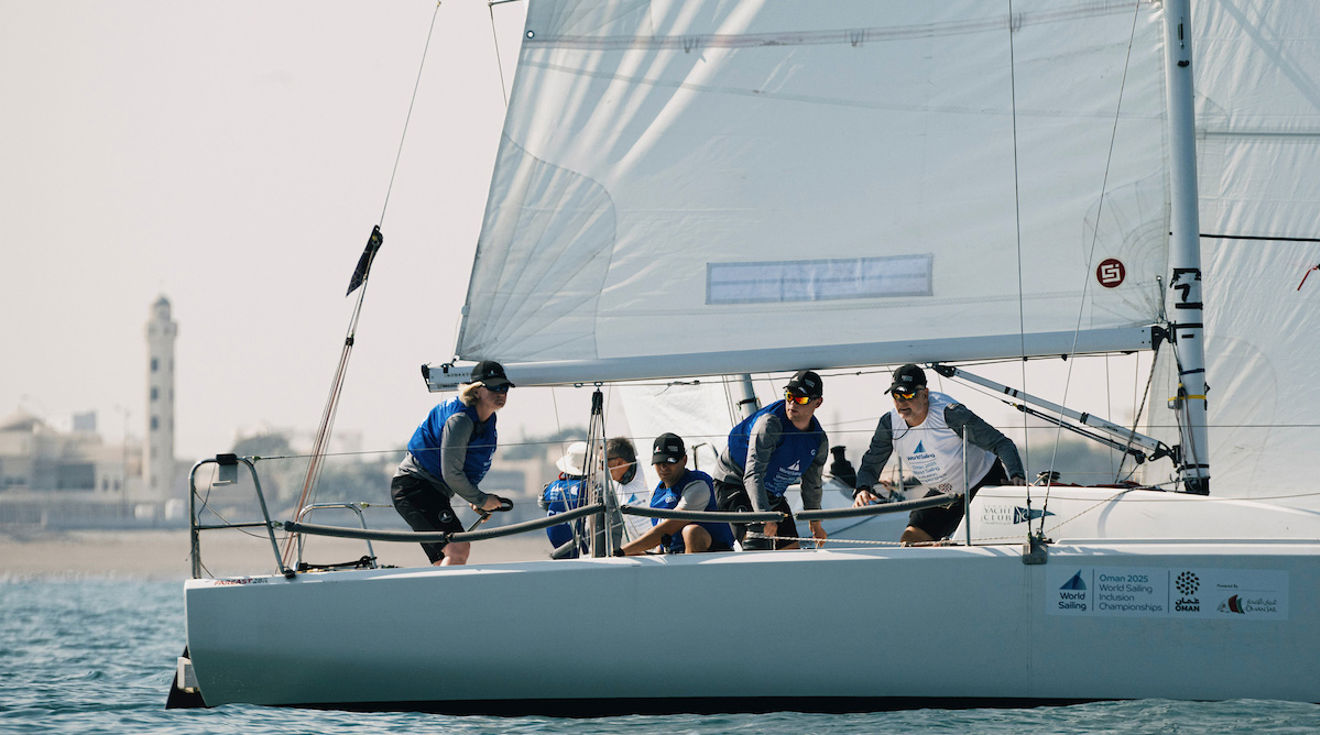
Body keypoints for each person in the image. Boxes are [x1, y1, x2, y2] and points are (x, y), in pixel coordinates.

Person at [852, 363, 1026, 545]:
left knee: (984, 541)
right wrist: (863, 488)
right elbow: (872, 462)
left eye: (908, 394)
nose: (902, 402)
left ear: (925, 394)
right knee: (910, 540)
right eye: (896, 395)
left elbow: (1001, 443)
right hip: (945, 492)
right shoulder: (889, 423)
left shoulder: (950, 413)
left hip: (983, 481)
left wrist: (1016, 475)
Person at [390, 360, 513, 566]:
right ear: (477, 390)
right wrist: (481, 498)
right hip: (414, 487)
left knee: (445, 559)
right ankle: (448, 598)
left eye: (505, 387)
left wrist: (474, 498)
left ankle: (439, 598)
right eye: (494, 386)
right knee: (458, 547)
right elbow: (452, 473)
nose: (501, 392)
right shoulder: (461, 420)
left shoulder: (487, 418)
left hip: (432, 491)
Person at [714, 370, 829, 550]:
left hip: (771, 492)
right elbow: (753, 475)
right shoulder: (770, 424)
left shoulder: (819, 440)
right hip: (734, 482)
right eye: (789, 395)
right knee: (757, 539)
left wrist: (815, 522)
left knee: (791, 547)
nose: (792, 403)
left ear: (818, 402)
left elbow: (812, 483)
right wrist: (764, 515)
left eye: (800, 399)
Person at [620, 433, 735, 555]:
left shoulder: (698, 485)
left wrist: (623, 550)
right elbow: (661, 543)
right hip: (675, 558)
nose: (663, 467)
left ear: (684, 460)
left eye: (670, 461)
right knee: (635, 555)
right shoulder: (656, 496)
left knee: (691, 532)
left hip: (716, 556)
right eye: (659, 462)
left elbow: (668, 528)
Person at [539, 441, 589, 557]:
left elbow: (543, 504)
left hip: (555, 536)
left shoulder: (551, 486)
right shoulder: (589, 487)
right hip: (581, 536)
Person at [606, 436, 653, 541]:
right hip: (639, 546)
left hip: (661, 540)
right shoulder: (611, 486)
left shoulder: (648, 469)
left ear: (619, 462)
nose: (601, 468)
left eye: (604, 462)